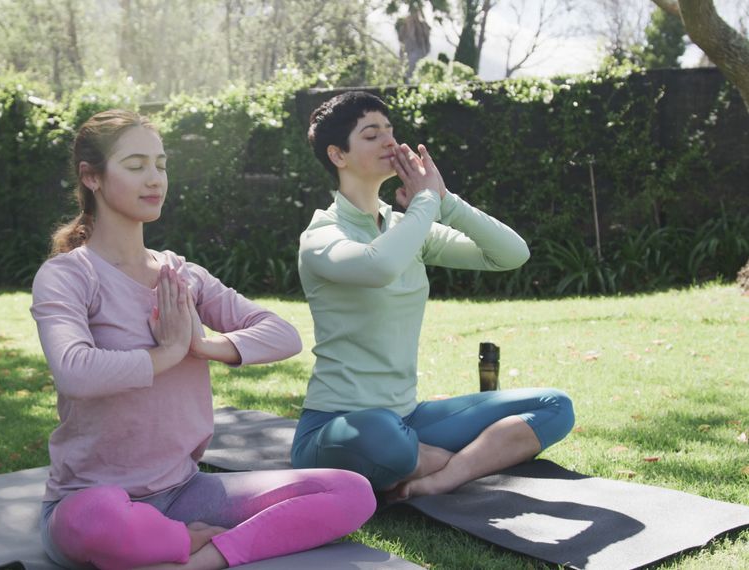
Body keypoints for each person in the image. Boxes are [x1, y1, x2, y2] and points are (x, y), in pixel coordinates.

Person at [30, 109, 376, 570]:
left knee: (351, 491)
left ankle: (205, 555)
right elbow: (75, 372)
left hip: (186, 492)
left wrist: (203, 346)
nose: (154, 179)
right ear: (91, 177)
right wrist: (167, 352)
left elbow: (284, 335)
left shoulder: (182, 275)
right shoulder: (68, 276)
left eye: (161, 164)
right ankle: (175, 541)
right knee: (95, 522)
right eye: (135, 166)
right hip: (94, 498)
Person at [290, 91, 575, 500]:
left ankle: (441, 475)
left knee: (554, 405)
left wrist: (446, 202)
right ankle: (463, 461)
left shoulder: (407, 226)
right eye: (372, 135)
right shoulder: (321, 236)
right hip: (336, 427)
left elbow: (511, 254)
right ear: (338, 155)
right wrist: (425, 202)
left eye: (390, 131)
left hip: (408, 418)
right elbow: (378, 265)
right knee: (380, 436)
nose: (390, 141)